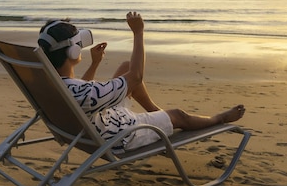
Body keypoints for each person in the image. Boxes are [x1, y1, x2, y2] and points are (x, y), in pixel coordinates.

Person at [37, 11, 245, 153]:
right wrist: (138, 32)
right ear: (73, 50)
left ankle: (157, 113)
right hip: (120, 137)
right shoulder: (82, 93)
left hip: (94, 125)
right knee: (179, 114)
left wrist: (94, 65)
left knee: (125, 67)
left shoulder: (53, 83)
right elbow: (136, 76)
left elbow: (81, 97)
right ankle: (218, 118)